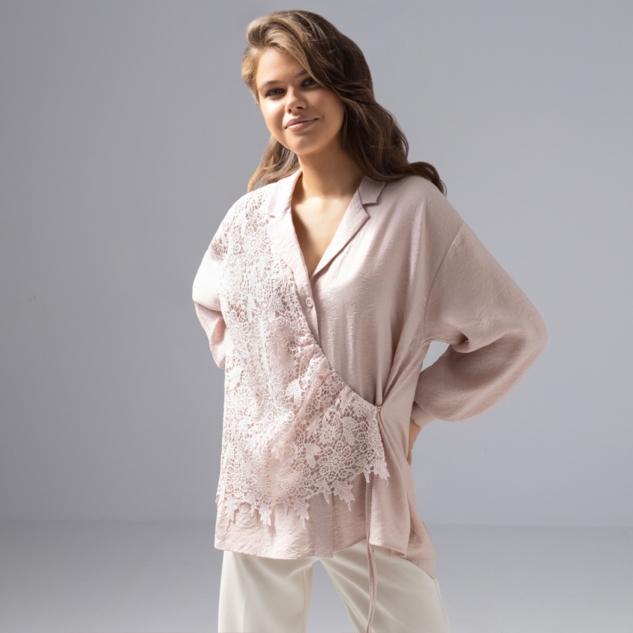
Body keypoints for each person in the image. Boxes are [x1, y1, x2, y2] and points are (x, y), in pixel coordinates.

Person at [192, 10, 548, 633]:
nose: (292, 102)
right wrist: (267, 390)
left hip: (363, 476)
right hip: (263, 481)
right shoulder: (248, 219)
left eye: (309, 81)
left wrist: (415, 412)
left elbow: (515, 332)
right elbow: (216, 306)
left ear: (345, 87)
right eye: (274, 91)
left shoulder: (412, 212)